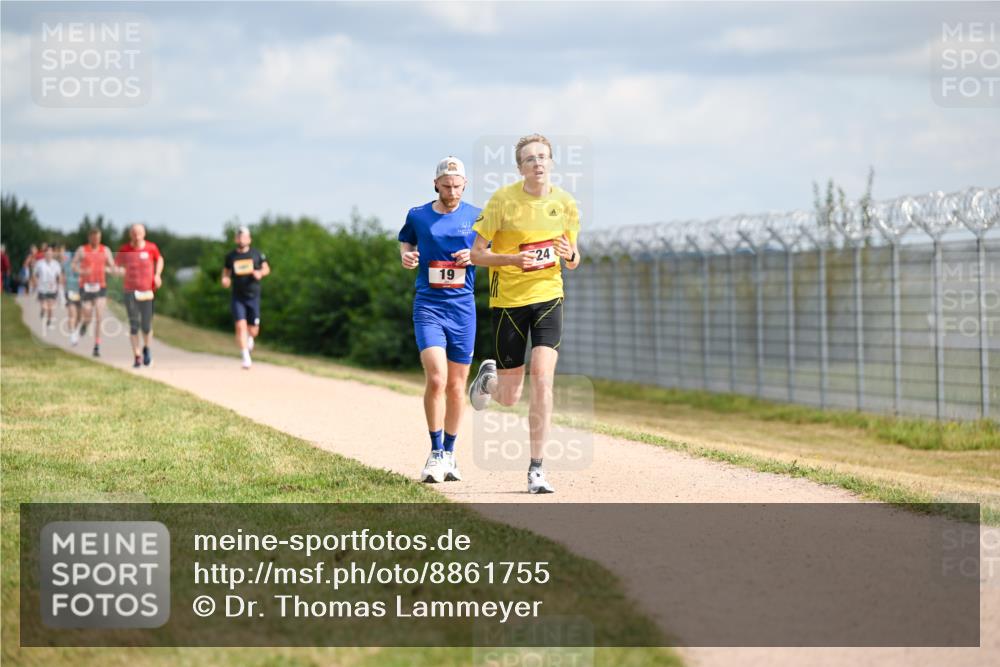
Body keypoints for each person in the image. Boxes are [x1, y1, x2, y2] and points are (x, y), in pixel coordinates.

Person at [468, 134, 581, 494]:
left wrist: (569, 255)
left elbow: (574, 259)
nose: (537, 163)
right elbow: (476, 255)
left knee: (544, 379)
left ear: (551, 162)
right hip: (509, 302)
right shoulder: (503, 201)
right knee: (511, 396)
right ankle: (489, 381)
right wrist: (512, 259)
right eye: (530, 159)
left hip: (549, 296)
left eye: (543, 157)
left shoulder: (565, 203)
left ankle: (536, 469)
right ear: (520, 167)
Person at [398, 157, 481, 483]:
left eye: (457, 186)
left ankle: (450, 453)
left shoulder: (477, 216)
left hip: (463, 308)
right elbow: (407, 240)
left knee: (457, 386)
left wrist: (474, 256)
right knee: (436, 379)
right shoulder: (418, 215)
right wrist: (407, 254)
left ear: (465, 185)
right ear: (436, 184)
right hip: (429, 305)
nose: (452, 191)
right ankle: (434, 453)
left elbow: (490, 253)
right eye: (446, 186)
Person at [221, 225, 270, 369]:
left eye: (244, 237)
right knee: (240, 326)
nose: (241, 239)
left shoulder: (257, 254)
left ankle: (250, 340)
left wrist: (260, 273)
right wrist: (225, 280)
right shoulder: (231, 257)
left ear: (249, 239)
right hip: (238, 296)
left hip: (253, 296)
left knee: (253, 329)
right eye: (239, 237)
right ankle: (245, 357)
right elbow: (226, 272)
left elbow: (266, 268)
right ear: (236, 239)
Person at [116, 223, 164, 368]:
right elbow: (117, 265)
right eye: (134, 233)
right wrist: (118, 271)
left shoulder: (151, 248)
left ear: (144, 234)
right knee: (134, 325)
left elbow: (160, 259)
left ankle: (147, 349)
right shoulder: (125, 249)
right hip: (130, 292)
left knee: (146, 326)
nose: (137, 236)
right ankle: (137, 356)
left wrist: (157, 275)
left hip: (147, 291)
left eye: (139, 233)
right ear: (130, 235)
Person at [72, 228, 117, 357]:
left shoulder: (105, 250)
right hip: (85, 287)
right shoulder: (82, 250)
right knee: (87, 315)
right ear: (89, 237)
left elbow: (112, 265)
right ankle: (84, 325)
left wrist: (113, 270)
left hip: (100, 287)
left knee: (99, 316)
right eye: (94, 238)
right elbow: (73, 265)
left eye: (98, 238)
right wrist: (82, 271)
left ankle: (97, 346)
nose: (96, 240)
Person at [31, 246, 62, 333]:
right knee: (44, 306)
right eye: (47, 253)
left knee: (51, 307)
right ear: (44, 254)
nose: (49, 254)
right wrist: (36, 282)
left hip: (52, 288)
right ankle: (42, 311)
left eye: (50, 253)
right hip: (42, 288)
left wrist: (59, 284)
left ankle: (49, 321)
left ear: (52, 254)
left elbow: (59, 276)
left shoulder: (56, 264)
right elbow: (34, 274)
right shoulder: (39, 263)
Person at [61, 245, 82, 343]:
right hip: (70, 291)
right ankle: (72, 334)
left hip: (81, 292)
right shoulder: (66, 264)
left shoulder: (83, 264)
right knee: (72, 314)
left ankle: (75, 330)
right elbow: (63, 277)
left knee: (79, 316)